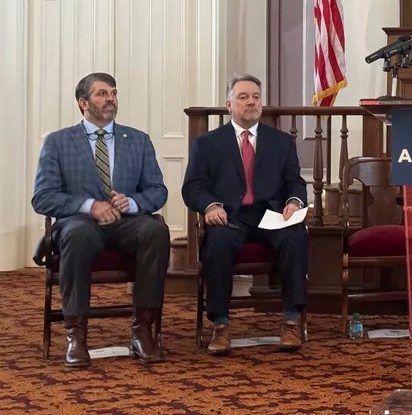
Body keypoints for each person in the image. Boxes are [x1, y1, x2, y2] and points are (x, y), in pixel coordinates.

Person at [31, 72, 170, 367]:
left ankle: (142, 330)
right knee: (78, 236)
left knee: (155, 232)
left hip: (126, 221)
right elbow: (43, 197)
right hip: (80, 222)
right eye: (102, 93)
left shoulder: (138, 140)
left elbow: (157, 191)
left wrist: (132, 202)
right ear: (83, 103)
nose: (111, 98)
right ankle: (76, 336)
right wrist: (88, 205)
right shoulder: (58, 142)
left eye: (113, 93)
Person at [182, 74, 309, 355]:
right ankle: (221, 325)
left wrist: (294, 202)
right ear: (229, 104)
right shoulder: (208, 144)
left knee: (296, 237)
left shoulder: (281, 142)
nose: (251, 102)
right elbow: (193, 187)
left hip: (271, 215)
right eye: (243, 97)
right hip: (229, 217)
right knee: (217, 244)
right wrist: (210, 206)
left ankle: (290, 320)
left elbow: (295, 182)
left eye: (255, 97)